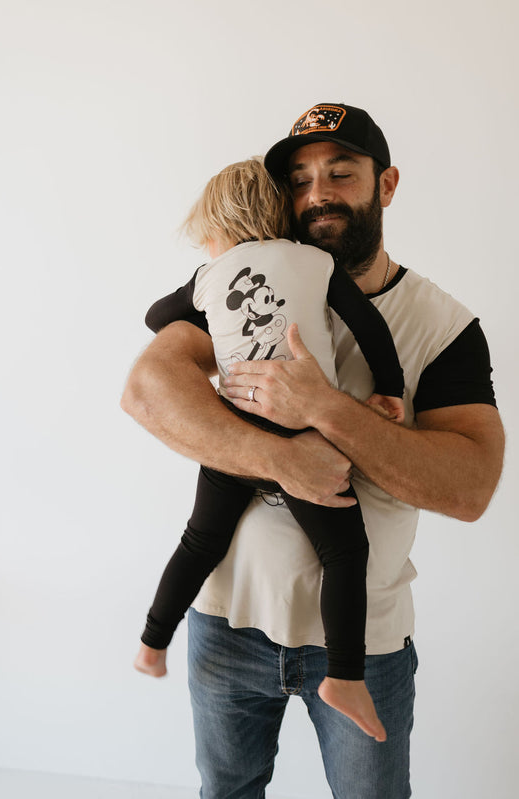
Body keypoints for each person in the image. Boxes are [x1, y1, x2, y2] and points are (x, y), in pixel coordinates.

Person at [121, 103, 504, 798]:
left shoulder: (443, 326)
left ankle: (159, 640)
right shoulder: (250, 282)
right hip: (225, 622)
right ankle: (154, 639)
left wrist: (323, 408)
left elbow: (469, 486)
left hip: (364, 643)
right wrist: (280, 457)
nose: (315, 193)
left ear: (385, 185)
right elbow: (148, 388)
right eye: (296, 179)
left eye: (339, 172)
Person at [133, 156, 406, 743]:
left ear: (218, 225)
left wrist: (207, 295)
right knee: (343, 551)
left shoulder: (213, 272)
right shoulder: (316, 261)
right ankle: (346, 677)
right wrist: (388, 389)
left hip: (238, 430)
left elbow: (156, 317)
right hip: (301, 431)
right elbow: (369, 327)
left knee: (200, 539)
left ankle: (152, 644)